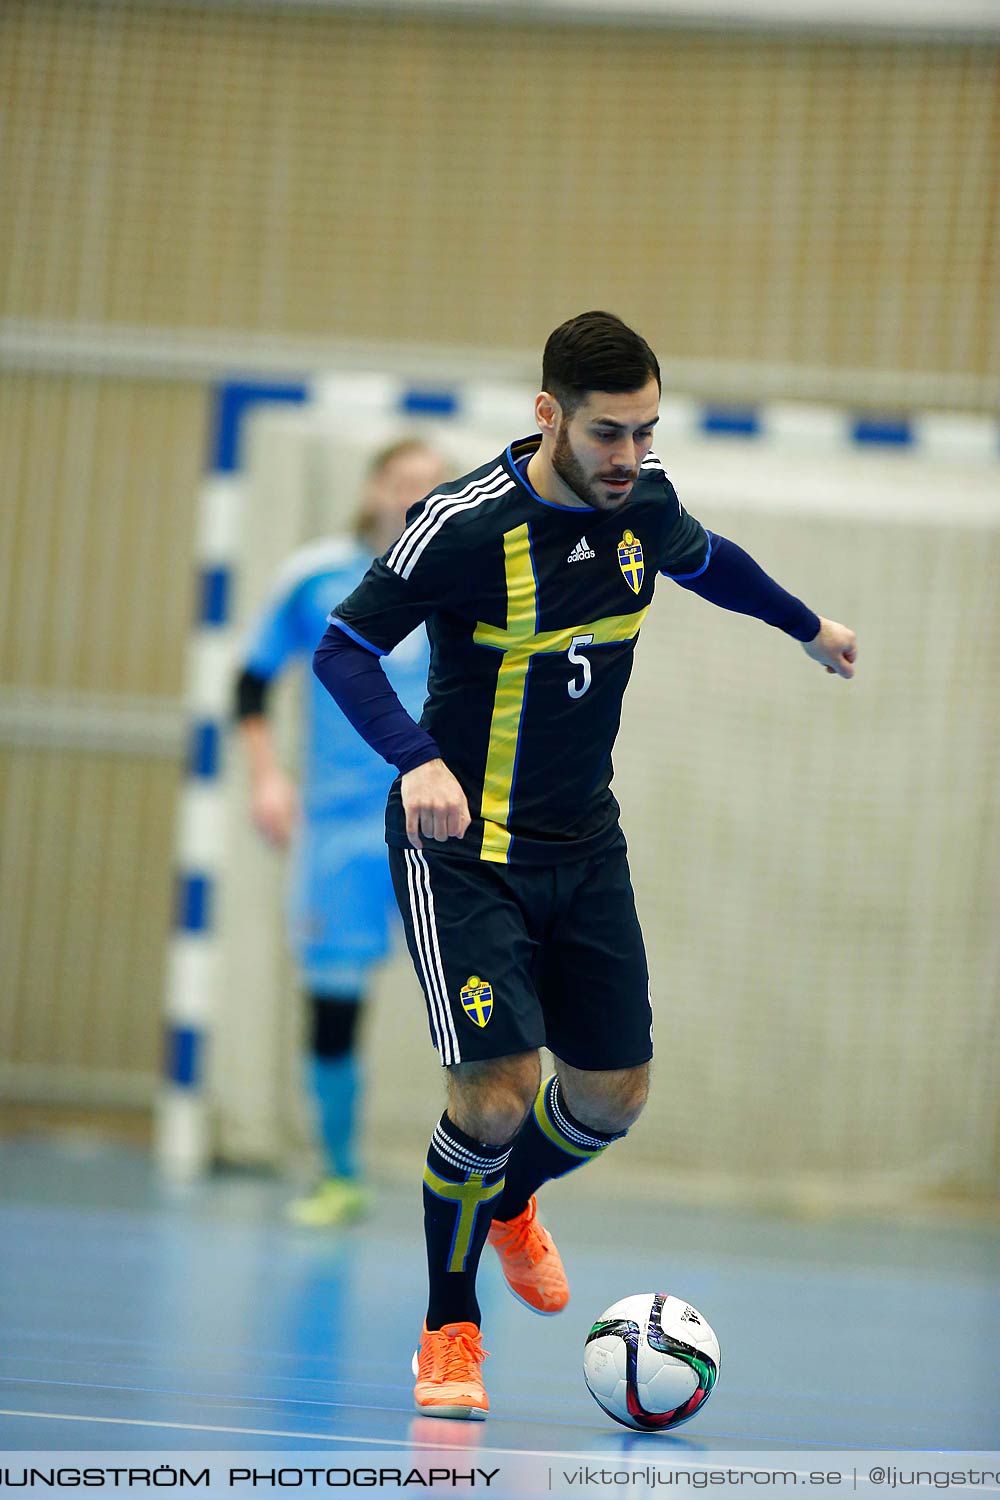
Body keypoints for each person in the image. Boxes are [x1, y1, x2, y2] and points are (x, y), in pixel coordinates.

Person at [312, 311, 857, 1417]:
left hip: (584, 845)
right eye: (609, 434)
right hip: (462, 852)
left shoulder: (642, 503)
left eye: (646, 433)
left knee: (610, 1099)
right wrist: (416, 761)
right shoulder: (459, 526)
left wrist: (807, 625)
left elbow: (709, 564)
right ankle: (449, 1329)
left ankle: (509, 1203)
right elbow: (344, 649)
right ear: (548, 415)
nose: (629, 458)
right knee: (497, 1093)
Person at [235, 438, 445, 1227]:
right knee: (333, 1004)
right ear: (372, 490)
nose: (415, 497)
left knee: (486, 1013)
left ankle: (496, 1191)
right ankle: (339, 1173)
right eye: (402, 483)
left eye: (433, 486)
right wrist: (267, 777)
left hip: (445, 829)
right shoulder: (316, 577)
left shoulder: (471, 581)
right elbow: (250, 682)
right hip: (340, 832)